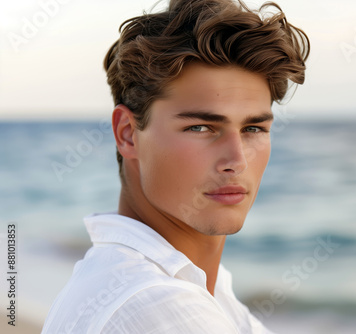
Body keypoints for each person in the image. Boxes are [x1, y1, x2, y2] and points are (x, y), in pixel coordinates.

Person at [42, 0, 309, 332]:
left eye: (253, 129)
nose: (236, 161)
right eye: (200, 128)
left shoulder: (196, 288)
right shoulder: (153, 305)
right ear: (127, 134)